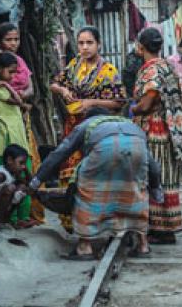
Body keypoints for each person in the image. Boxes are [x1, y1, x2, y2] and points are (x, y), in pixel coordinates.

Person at [30, 107, 162, 259]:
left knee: (88, 191)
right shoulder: (131, 124)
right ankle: (143, 245)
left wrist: (37, 180)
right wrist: (156, 187)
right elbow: (152, 165)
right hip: (136, 148)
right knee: (135, 190)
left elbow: (60, 152)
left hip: (103, 150)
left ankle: (84, 247)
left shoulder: (86, 125)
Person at [49, 26, 126, 232]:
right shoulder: (74, 66)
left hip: (97, 130)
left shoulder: (108, 70)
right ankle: (74, 223)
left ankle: (99, 222)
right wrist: (63, 90)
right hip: (73, 127)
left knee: (96, 175)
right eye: (81, 43)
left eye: (89, 43)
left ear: (99, 44)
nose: (84, 47)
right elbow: (54, 84)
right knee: (71, 174)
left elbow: (119, 102)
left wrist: (90, 103)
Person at [0, 22, 44, 224]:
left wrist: (19, 95)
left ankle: (24, 216)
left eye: (16, 39)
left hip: (19, 127)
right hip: (1, 129)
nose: (13, 43)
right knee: (5, 176)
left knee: (24, 174)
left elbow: (29, 91)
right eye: (8, 39)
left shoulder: (18, 63)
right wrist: (4, 92)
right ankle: (4, 218)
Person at [130, 28, 182, 245]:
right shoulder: (168, 65)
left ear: (140, 47)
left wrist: (132, 109)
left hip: (155, 128)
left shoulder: (151, 71)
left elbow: (147, 103)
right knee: (167, 176)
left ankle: (161, 229)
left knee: (156, 176)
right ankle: (168, 225)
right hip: (172, 129)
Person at [0, 53, 35, 228]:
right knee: (8, 184)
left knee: (25, 180)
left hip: (18, 140)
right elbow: (18, 99)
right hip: (4, 142)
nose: (13, 76)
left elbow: (20, 101)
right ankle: (10, 219)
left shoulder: (3, 86)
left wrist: (7, 83)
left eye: (15, 73)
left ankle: (22, 217)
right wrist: (7, 85)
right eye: (10, 72)